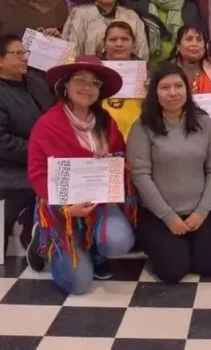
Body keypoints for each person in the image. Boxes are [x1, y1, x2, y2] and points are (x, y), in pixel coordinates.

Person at [27, 57, 136, 295]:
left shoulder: (106, 121)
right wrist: (65, 207)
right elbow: (36, 172)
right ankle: (43, 237)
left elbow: (122, 158)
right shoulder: (47, 124)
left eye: (94, 82)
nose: (87, 87)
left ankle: (93, 248)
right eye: (80, 80)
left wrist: (112, 157)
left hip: (99, 203)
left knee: (119, 241)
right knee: (78, 284)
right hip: (62, 207)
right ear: (65, 84)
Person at [127, 63, 211, 283]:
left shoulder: (203, 122)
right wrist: (169, 217)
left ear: (187, 89)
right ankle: (162, 243)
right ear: (155, 92)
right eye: (165, 87)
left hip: (198, 212)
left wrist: (202, 211)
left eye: (178, 86)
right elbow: (140, 176)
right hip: (159, 215)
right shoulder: (142, 126)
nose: (173, 93)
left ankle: (187, 241)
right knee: (173, 272)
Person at [0, 34, 54, 269]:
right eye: (16, 54)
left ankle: (43, 228)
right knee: (38, 185)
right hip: (5, 161)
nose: (23, 58)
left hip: (41, 155)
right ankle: (30, 229)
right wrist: (40, 152)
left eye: (24, 53)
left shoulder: (35, 81)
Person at [127, 0, 202, 68]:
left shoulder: (190, 8)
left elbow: (198, 38)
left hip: (180, 69)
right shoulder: (137, 7)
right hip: (144, 69)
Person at [62, 0, 147, 58]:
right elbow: (69, 53)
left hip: (127, 71)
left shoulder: (132, 17)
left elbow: (141, 52)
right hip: (88, 71)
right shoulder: (79, 15)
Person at [100, 22, 146, 140]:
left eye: (125, 39)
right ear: (104, 43)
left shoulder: (147, 72)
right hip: (101, 132)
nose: (119, 44)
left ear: (133, 44)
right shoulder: (93, 69)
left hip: (138, 134)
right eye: (113, 39)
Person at [172, 25, 211, 98]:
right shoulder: (167, 71)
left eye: (199, 39)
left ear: (205, 47)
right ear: (178, 45)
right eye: (189, 39)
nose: (194, 44)